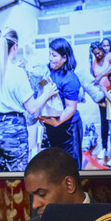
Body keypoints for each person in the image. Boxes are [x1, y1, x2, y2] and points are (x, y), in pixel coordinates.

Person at [0, 27, 57, 171]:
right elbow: (32, 107)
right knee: (18, 178)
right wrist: (48, 93)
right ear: (15, 47)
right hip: (13, 130)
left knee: (1, 177)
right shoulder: (18, 73)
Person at [39, 38, 83, 168]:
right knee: (57, 166)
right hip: (53, 128)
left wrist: (57, 122)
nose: (50, 58)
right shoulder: (48, 70)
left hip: (69, 128)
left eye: (54, 55)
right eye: (49, 54)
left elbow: (70, 108)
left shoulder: (70, 79)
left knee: (71, 166)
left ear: (64, 58)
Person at [89, 41, 111, 160]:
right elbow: (92, 78)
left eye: (99, 53)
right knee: (104, 123)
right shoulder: (94, 62)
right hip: (102, 96)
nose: (97, 55)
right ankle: (104, 148)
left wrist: (101, 75)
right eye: (95, 54)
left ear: (102, 49)